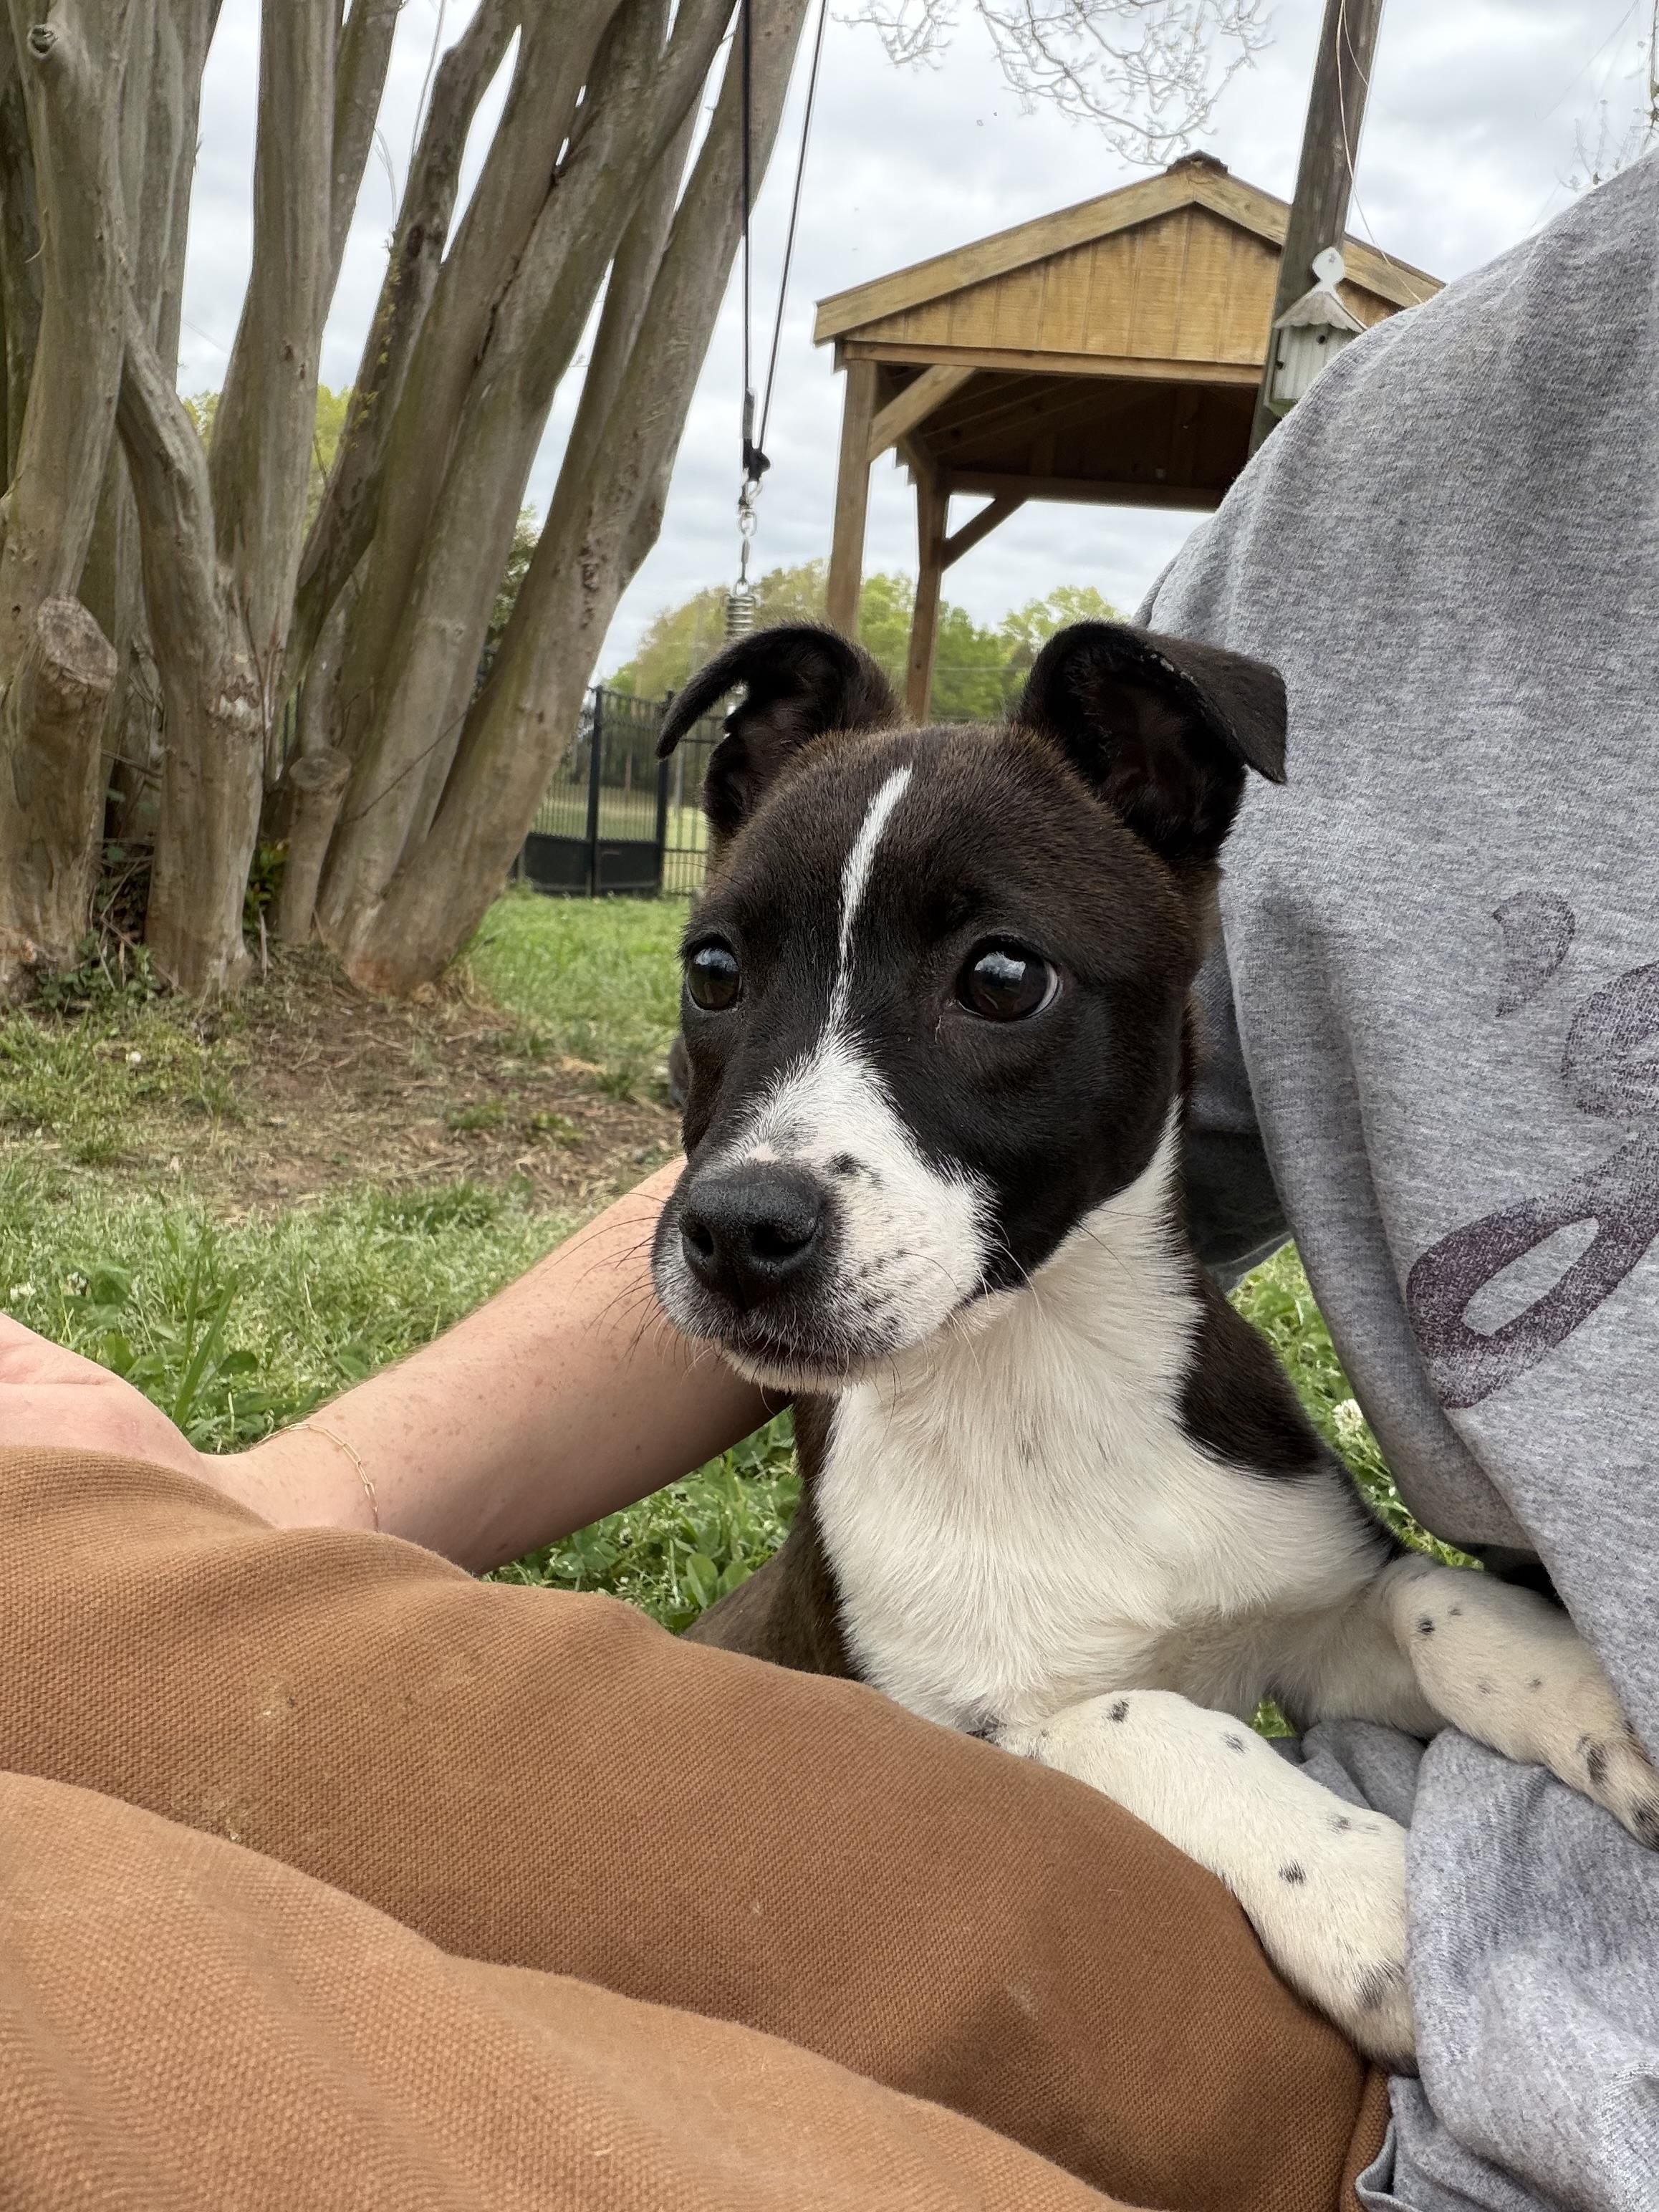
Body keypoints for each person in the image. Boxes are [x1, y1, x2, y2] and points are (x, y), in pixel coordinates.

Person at [1, 149, 1654, 2212]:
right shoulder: (1423, 458)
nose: (771, 1152)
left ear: (1172, 828)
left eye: (986, 986)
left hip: (1344, 2070)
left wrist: (1379, 1682)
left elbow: (1328, 1624)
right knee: (49, 1609)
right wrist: (284, 1505)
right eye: (729, 979)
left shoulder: (1231, 1429)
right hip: (1215, 1893)